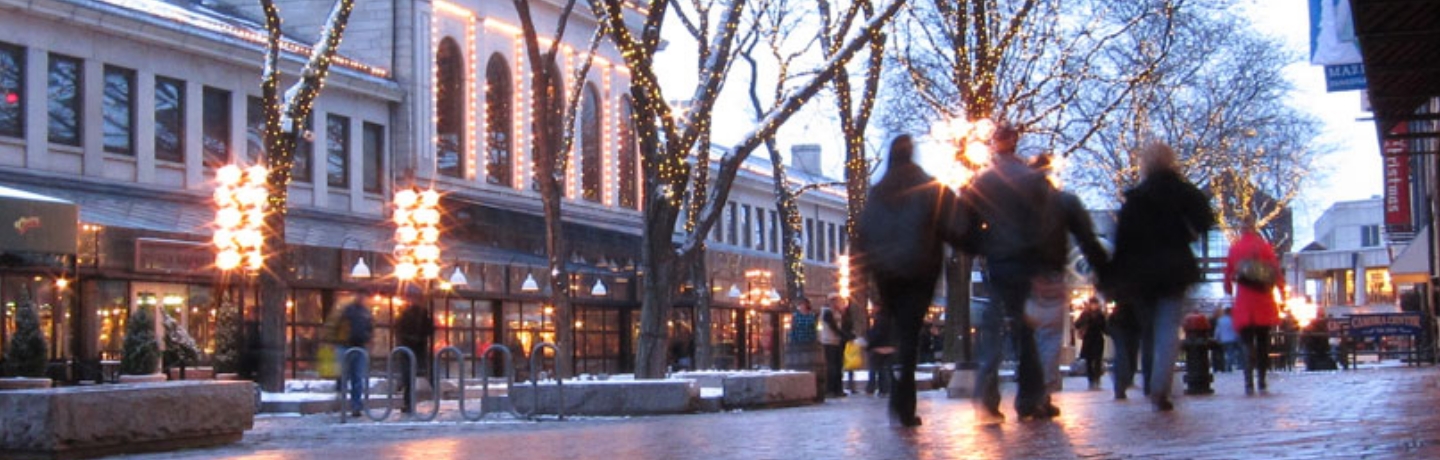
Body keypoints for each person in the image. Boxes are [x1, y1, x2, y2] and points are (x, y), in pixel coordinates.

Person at [854, 134, 971, 427]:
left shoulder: (878, 192)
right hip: (920, 269)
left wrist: (862, 271)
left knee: (896, 324)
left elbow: (863, 232)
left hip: (886, 272)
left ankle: (896, 387)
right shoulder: (930, 187)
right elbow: (955, 224)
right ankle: (903, 403)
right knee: (909, 332)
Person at [1102, 141, 1215, 411]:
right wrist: (1189, 233)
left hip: (1142, 277)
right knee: (1167, 329)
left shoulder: (1135, 200)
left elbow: (1123, 243)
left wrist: (1112, 278)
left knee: (1150, 331)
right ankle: (1160, 386)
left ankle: (1153, 378)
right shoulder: (1184, 192)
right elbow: (1206, 219)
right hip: (1176, 270)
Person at [963, 122, 1054, 421]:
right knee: (1024, 331)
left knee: (993, 326)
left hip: (997, 262)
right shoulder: (1031, 179)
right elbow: (1045, 224)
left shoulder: (983, 180)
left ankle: (988, 388)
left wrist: (981, 247)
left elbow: (968, 222)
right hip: (1026, 262)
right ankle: (1028, 398)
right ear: (1015, 143)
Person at [1028, 153, 1110, 397]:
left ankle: (1027, 390)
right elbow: (1087, 238)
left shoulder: (1016, 202)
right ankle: (1045, 389)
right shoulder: (1063, 201)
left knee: (1026, 333)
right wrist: (1104, 271)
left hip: (1019, 272)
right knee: (1050, 334)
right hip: (1051, 271)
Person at [1225, 217, 1284, 393]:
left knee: (1246, 343)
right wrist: (1281, 289)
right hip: (1263, 300)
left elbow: (1228, 272)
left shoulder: (1235, 248)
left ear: (1241, 230)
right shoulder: (1264, 247)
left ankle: (1248, 381)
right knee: (1263, 343)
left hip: (1245, 301)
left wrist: (1228, 289)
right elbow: (1275, 269)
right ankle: (1262, 380)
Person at [395, 302, 434, 412]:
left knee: (408, 377)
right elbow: (430, 330)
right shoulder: (423, 315)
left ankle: (408, 402)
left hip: (408, 349)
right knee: (421, 373)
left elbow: (398, 330)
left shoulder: (404, 315)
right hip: (418, 349)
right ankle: (410, 400)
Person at [338, 298, 374, 416]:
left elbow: (370, 328)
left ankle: (355, 405)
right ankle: (346, 404)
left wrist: (369, 340)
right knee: (347, 376)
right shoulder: (348, 311)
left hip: (358, 347)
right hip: (347, 346)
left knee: (357, 377)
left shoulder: (365, 312)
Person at [820, 294, 855, 398]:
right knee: (832, 366)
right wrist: (846, 336)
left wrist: (844, 313)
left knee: (839, 365)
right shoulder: (827, 312)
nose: (837, 303)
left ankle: (838, 389)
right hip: (829, 341)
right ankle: (831, 389)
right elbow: (833, 327)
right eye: (834, 301)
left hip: (839, 341)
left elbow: (848, 324)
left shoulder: (839, 312)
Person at [1075, 298, 1108, 390]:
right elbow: (1077, 324)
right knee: (1089, 361)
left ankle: (1096, 378)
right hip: (1088, 339)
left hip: (1097, 339)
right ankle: (1091, 379)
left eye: (1095, 304)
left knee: (1097, 360)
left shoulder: (1100, 315)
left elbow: (1104, 327)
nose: (1094, 306)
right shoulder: (1085, 314)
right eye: (1092, 304)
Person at [865, 314, 896, 396]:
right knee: (885, 369)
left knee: (874, 369)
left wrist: (870, 344)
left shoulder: (879, 320)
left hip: (878, 348)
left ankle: (871, 388)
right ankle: (885, 389)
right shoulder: (893, 320)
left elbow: (876, 335)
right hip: (890, 348)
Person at [1214, 308, 1240, 373]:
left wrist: (1216, 338)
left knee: (1225, 353)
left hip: (1223, 339)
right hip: (1232, 339)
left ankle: (1225, 365)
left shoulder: (1220, 320)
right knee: (1231, 353)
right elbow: (1236, 330)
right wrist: (1237, 337)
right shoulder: (1233, 320)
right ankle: (1229, 366)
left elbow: (1218, 330)